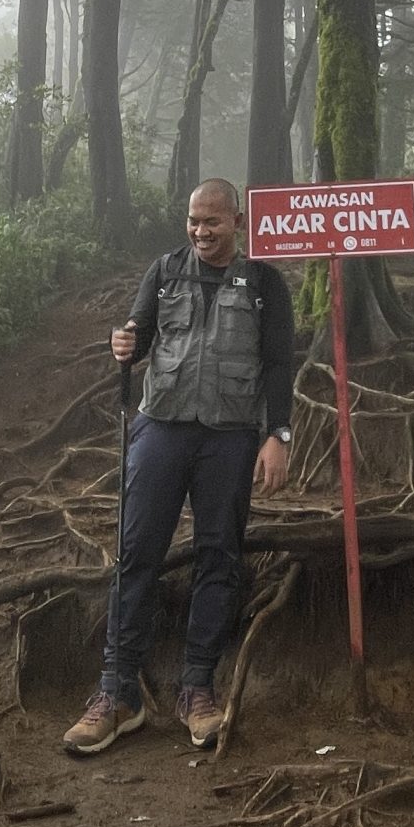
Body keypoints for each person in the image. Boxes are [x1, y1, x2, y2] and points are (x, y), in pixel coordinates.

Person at [62, 178, 294, 756]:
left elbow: (278, 365)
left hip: (230, 437)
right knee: (138, 553)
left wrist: (278, 436)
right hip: (161, 430)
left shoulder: (265, 283)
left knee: (219, 556)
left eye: (212, 221)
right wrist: (124, 342)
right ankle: (118, 694)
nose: (200, 230)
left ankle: (198, 688)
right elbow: (139, 337)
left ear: (236, 221)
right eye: (193, 220)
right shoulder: (165, 271)